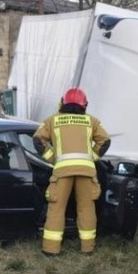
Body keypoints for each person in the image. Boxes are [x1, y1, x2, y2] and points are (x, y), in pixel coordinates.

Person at [33, 87, 110, 255]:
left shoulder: (51, 121)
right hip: (87, 171)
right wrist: (92, 157)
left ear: (62, 102)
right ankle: (87, 248)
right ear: (85, 105)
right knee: (86, 208)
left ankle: (51, 249)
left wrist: (53, 158)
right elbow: (105, 141)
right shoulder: (92, 121)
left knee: (56, 208)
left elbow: (38, 141)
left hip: (62, 171)